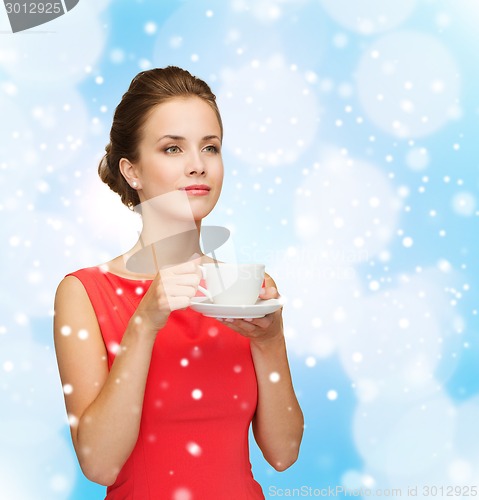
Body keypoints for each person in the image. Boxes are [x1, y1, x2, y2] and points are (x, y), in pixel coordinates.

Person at [53, 66, 303, 499]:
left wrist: (271, 341)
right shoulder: (83, 294)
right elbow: (100, 464)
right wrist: (143, 323)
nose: (197, 166)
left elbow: (283, 453)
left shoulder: (245, 291)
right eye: (172, 149)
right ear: (132, 171)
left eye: (211, 147)